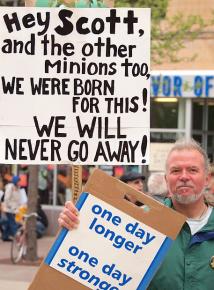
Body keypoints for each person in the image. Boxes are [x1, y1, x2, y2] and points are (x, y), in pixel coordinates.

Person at [58, 138, 214, 289]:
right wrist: (73, 225)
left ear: (207, 179)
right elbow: (95, 257)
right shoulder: (139, 220)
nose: (184, 176)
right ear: (167, 180)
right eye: (176, 170)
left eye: (193, 170)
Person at [1, 175, 27, 241]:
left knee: (9, 222)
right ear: (15, 181)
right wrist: (11, 207)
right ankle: (16, 235)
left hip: (15, 209)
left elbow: (18, 199)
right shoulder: (10, 187)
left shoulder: (18, 188)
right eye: (19, 181)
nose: (20, 182)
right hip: (9, 209)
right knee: (12, 222)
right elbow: (7, 199)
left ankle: (5, 236)